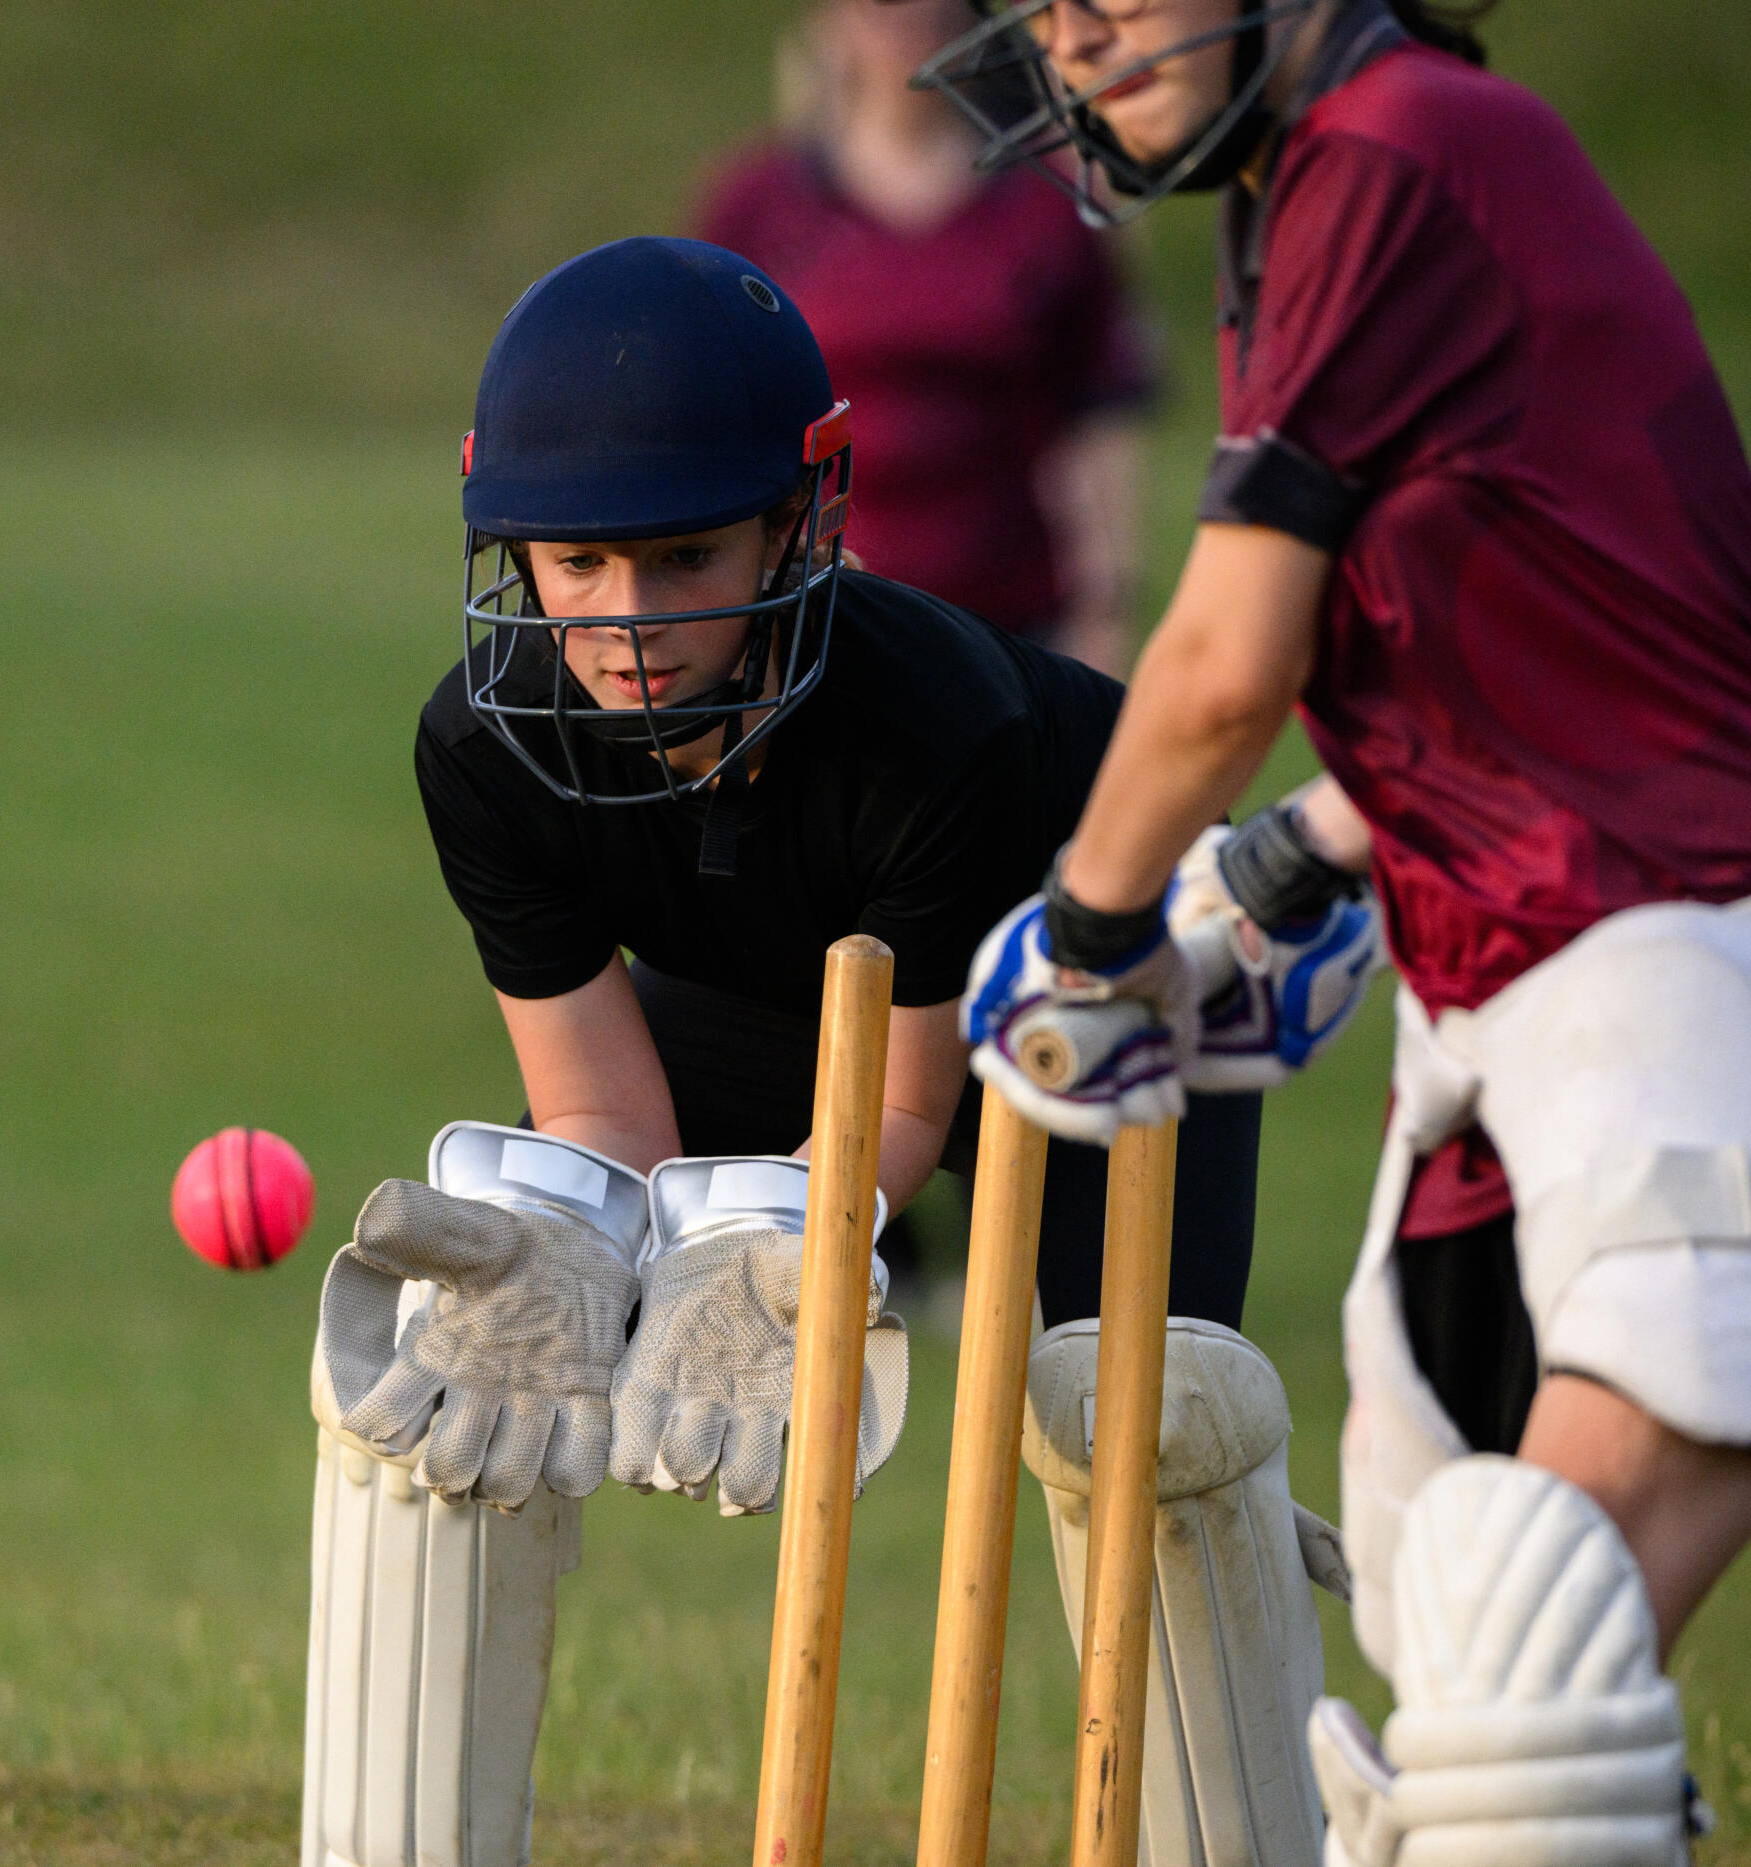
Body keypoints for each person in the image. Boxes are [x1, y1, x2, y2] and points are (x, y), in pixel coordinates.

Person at [296, 236, 1339, 1867]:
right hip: (761, 992)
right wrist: (603, 1246)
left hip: (1093, 998)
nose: (629, 619)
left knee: (1145, 1413)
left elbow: (909, 1106)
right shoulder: (480, 745)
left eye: (685, 555)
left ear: (798, 518)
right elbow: (599, 1102)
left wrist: (779, 1238)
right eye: (577, 563)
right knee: (475, 1330)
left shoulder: (938, 727)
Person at [935, 0, 1751, 1858]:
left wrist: (1090, 928)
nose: (1074, 35)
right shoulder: (1309, 187)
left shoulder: (1400, 153)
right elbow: (1545, 600)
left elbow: (1228, 659)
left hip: (1665, 928)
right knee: (1439, 1572)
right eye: (1048, 2)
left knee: (1528, 1667)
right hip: (1515, 951)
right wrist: (1299, 856)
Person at [696, 0, 1153, 677]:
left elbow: (1096, 419)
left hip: (1007, 626)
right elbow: (710, 417)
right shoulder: (762, 202)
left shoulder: (1044, 201)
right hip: (814, 620)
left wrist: (1104, 609)